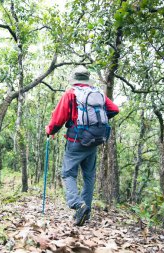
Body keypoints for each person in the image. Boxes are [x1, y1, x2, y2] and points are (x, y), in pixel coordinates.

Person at [45, 66, 119, 226]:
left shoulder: (71, 93)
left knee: (67, 173)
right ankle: (85, 213)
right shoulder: (98, 93)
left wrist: (50, 130)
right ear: (87, 79)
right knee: (89, 176)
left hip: (76, 140)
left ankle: (79, 205)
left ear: (75, 79)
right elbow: (114, 109)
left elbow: (58, 119)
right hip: (95, 140)